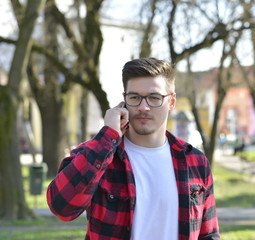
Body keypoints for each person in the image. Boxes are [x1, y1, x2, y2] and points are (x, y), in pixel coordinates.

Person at [47, 57, 220, 240]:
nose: (143, 107)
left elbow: (208, 235)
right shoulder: (99, 154)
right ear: (124, 101)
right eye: (135, 97)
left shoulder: (195, 162)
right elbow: (61, 208)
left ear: (171, 101)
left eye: (154, 97)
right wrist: (107, 137)